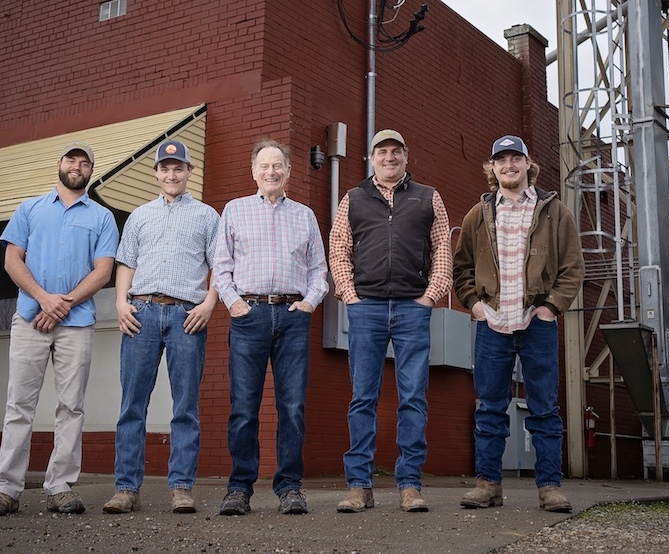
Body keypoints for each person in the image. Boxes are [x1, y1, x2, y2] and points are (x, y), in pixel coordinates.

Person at [0, 142, 119, 517]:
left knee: (71, 406)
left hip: (76, 324)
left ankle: (60, 486)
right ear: (58, 164)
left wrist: (64, 303)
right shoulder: (29, 209)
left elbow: (103, 271)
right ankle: (6, 488)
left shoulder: (102, 217)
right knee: (18, 406)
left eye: (85, 162)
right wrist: (44, 298)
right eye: (72, 160)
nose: (77, 166)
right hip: (30, 318)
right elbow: (12, 260)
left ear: (91, 171)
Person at [453, 135, 584, 513]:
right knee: (490, 407)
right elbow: (462, 269)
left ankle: (549, 487)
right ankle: (488, 484)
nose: (508, 166)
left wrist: (551, 308)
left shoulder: (554, 211)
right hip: (492, 324)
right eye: (501, 160)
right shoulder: (478, 215)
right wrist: (476, 306)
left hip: (536, 322)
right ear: (492, 168)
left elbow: (572, 268)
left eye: (515, 158)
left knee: (544, 407)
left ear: (528, 163)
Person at [329, 129, 452, 513]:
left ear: (406, 156)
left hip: (412, 310)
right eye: (382, 152)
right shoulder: (353, 198)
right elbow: (338, 249)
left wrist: (430, 296)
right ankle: (359, 486)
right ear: (371, 159)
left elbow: (443, 248)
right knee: (362, 398)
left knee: (413, 398)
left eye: (395, 151)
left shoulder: (428, 197)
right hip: (366, 308)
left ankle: (410, 485)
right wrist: (350, 296)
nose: (389, 157)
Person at [102, 140, 219, 515]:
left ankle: (181, 488)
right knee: (132, 405)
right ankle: (125, 489)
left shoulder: (206, 216)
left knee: (185, 406)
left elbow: (222, 266)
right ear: (156, 173)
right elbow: (126, 265)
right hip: (142, 313)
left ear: (189, 173)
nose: (172, 174)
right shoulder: (139, 216)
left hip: (188, 315)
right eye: (165, 168)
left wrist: (209, 304)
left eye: (179, 168)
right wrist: (121, 303)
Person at [213, 139, 328, 516]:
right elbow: (221, 266)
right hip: (250, 316)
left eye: (278, 165)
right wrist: (235, 304)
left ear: (289, 171)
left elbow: (318, 270)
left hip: (293, 317)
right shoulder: (235, 210)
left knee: (292, 407)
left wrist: (309, 302)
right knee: (244, 407)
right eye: (265, 166)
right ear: (254, 172)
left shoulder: (305, 215)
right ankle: (239, 488)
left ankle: (290, 487)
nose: (271, 172)